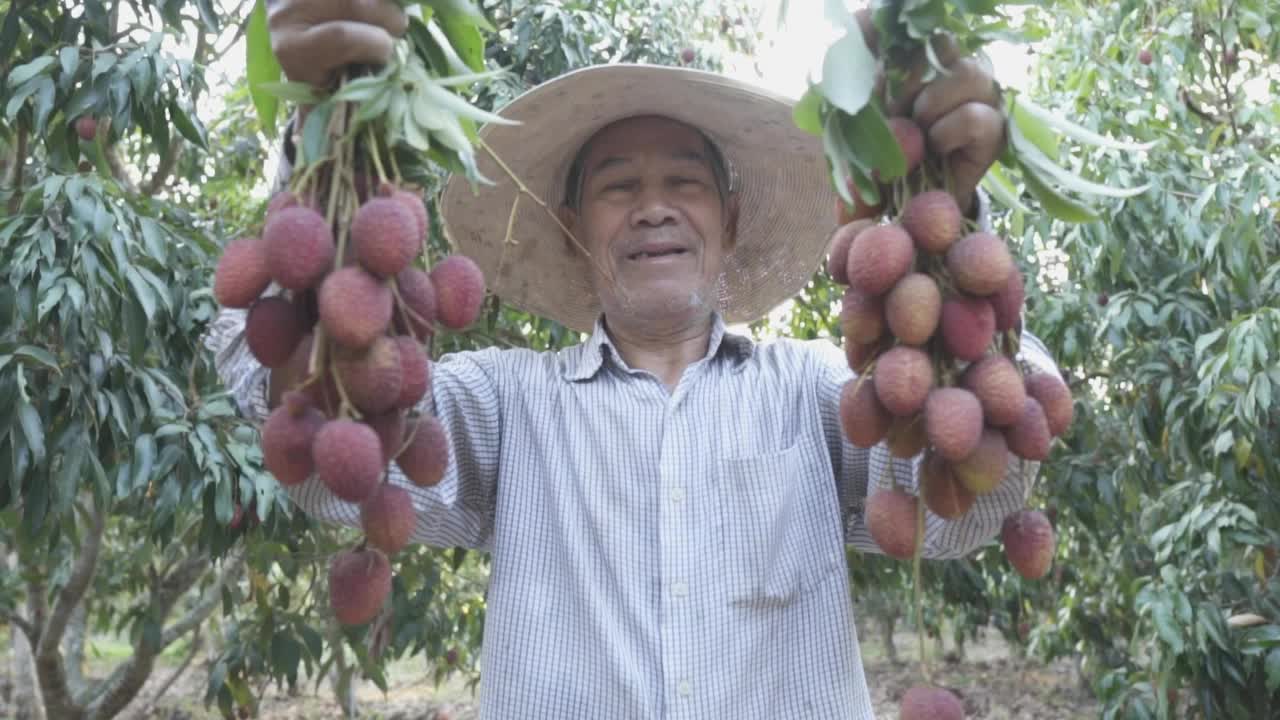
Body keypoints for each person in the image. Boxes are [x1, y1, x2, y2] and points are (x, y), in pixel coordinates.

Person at [206, 1, 1059, 717]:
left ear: (728, 219)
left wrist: (954, 203)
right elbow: (313, 438)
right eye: (618, 186)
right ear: (576, 230)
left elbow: (962, 503)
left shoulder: (816, 393)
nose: (653, 208)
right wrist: (315, 144)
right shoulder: (509, 405)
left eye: (683, 184)